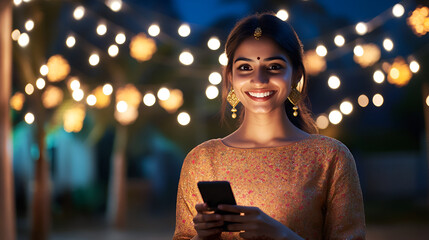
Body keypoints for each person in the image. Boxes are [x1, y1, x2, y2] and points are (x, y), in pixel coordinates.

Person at [173, 12, 365, 240]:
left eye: (273, 67)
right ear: (230, 78)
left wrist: (281, 235)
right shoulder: (202, 160)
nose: (259, 79)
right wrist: (202, 237)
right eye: (245, 68)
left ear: (296, 76)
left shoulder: (330, 158)